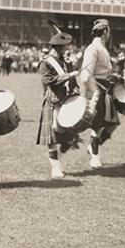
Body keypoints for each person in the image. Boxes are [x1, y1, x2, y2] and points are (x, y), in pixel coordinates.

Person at [37, 29, 80, 179]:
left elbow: (73, 82)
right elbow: (49, 81)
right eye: (63, 47)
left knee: (70, 139)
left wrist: (76, 90)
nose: (65, 50)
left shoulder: (65, 62)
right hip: (52, 101)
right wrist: (69, 75)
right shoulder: (45, 63)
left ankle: (57, 161)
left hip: (66, 101)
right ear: (56, 48)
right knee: (52, 139)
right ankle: (55, 168)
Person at [79, 19, 120, 169]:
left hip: (105, 89)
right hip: (97, 90)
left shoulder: (101, 48)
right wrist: (94, 92)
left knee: (111, 123)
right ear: (105, 31)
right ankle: (95, 158)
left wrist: (113, 77)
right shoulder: (93, 48)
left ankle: (92, 147)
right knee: (97, 125)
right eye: (109, 31)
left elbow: (102, 71)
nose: (110, 35)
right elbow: (86, 74)